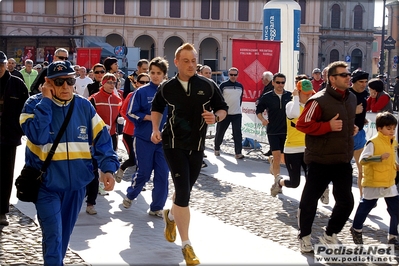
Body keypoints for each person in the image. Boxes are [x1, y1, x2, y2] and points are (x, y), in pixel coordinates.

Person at [19, 60, 119, 264]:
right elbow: (38, 135)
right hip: (46, 186)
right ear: (47, 83)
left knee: (63, 237)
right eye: (59, 82)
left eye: (70, 81)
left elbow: (103, 139)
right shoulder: (33, 105)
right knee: (53, 235)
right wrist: (46, 102)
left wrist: (108, 168)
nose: (66, 87)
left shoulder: (84, 107)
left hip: (76, 187)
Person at [150, 43, 228, 266]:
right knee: (183, 192)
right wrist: (156, 129)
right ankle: (187, 245)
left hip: (197, 146)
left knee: (184, 192)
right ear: (176, 62)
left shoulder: (208, 85)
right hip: (173, 144)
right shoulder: (167, 87)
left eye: (194, 60)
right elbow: (156, 109)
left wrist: (217, 117)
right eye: (186, 61)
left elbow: (222, 108)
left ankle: (171, 216)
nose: (191, 64)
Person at [295, 61, 357, 253]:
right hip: (320, 160)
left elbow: (344, 123)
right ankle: (304, 236)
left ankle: (329, 234)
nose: (348, 77)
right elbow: (302, 125)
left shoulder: (352, 98)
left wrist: (350, 130)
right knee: (309, 201)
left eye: (348, 74)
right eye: (344, 75)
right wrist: (327, 127)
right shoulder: (318, 100)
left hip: (342, 159)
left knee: (347, 202)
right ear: (332, 79)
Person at [122, 57, 170, 217]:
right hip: (144, 139)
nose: (155, 76)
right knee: (144, 172)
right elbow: (130, 113)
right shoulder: (141, 92)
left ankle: (156, 207)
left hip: (164, 141)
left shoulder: (170, 93)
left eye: (159, 73)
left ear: (164, 74)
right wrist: (147, 117)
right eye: (153, 72)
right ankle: (131, 194)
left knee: (163, 175)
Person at [349, 111, 399, 249]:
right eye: (388, 128)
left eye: (393, 128)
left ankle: (393, 236)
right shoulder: (373, 142)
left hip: (389, 182)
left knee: (396, 210)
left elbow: (392, 158)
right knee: (366, 207)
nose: (392, 131)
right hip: (374, 182)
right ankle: (356, 228)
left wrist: (395, 165)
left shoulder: (393, 141)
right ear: (379, 128)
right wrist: (379, 158)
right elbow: (362, 159)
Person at [270, 79, 314, 197]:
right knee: (295, 183)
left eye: (310, 93)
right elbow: (295, 114)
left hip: (307, 149)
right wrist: (295, 98)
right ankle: (279, 182)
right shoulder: (290, 105)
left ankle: (314, 198)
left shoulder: (311, 106)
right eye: (306, 93)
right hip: (292, 149)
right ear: (298, 92)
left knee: (313, 179)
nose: (309, 95)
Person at [0, 51, 29, 226]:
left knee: (5, 174)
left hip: (8, 137)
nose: (0, 68)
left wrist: (20, 130)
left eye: (1, 65)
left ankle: (2, 210)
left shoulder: (16, 84)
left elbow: (26, 109)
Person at [114, 73, 150, 182]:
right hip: (130, 133)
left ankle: (137, 182)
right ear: (137, 83)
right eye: (142, 82)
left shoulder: (152, 96)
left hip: (144, 133)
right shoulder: (131, 95)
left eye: (147, 82)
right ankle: (121, 169)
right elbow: (123, 111)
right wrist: (136, 120)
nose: (144, 84)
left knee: (142, 160)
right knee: (133, 159)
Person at [256, 73, 292, 180]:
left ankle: (272, 161)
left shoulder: (289, 96)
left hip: (287, 131)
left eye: (283, 82)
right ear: (273, 83)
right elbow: (258, 110)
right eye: (278, 82)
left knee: (283, 159)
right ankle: (277, 181)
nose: (280, 85)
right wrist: (262, 119)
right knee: (277, 156)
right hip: (273, 130)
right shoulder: (267, 96)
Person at [214, 67, 245, 159]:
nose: (233, 76)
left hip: (236, 113)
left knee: (237, 133)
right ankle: (217, 148)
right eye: (231, 74)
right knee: (220, 131)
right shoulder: (223, 85)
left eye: (235, 75)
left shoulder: (240, 86)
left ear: (237, 75)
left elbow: (240, 99)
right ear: (228, 75)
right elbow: (218, 98)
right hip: (225, 113)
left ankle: (238, 152)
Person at [88, 73, 122, 151]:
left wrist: (119, 120)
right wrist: (100, 125)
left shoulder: (117, 99)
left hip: (112, 134)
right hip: (98, 134)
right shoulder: (94, 98)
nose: (112, 85)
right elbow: (88, 116)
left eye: (114, 83)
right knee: (98, 158)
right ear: (103, 83)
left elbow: (118, 115)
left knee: (111, 157)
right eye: (109, 82)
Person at [349, 70, 369, 197]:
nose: (364, 84)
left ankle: (363, 197)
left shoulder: (365, 94)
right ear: (354, 81)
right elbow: (336, 113)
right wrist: (353, 112)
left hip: (360, 134)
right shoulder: (347, 94)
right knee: (341, 169)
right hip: (345, 135)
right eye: (361, 82)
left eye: (366, 82)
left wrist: (363, 118)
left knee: (362, 168)